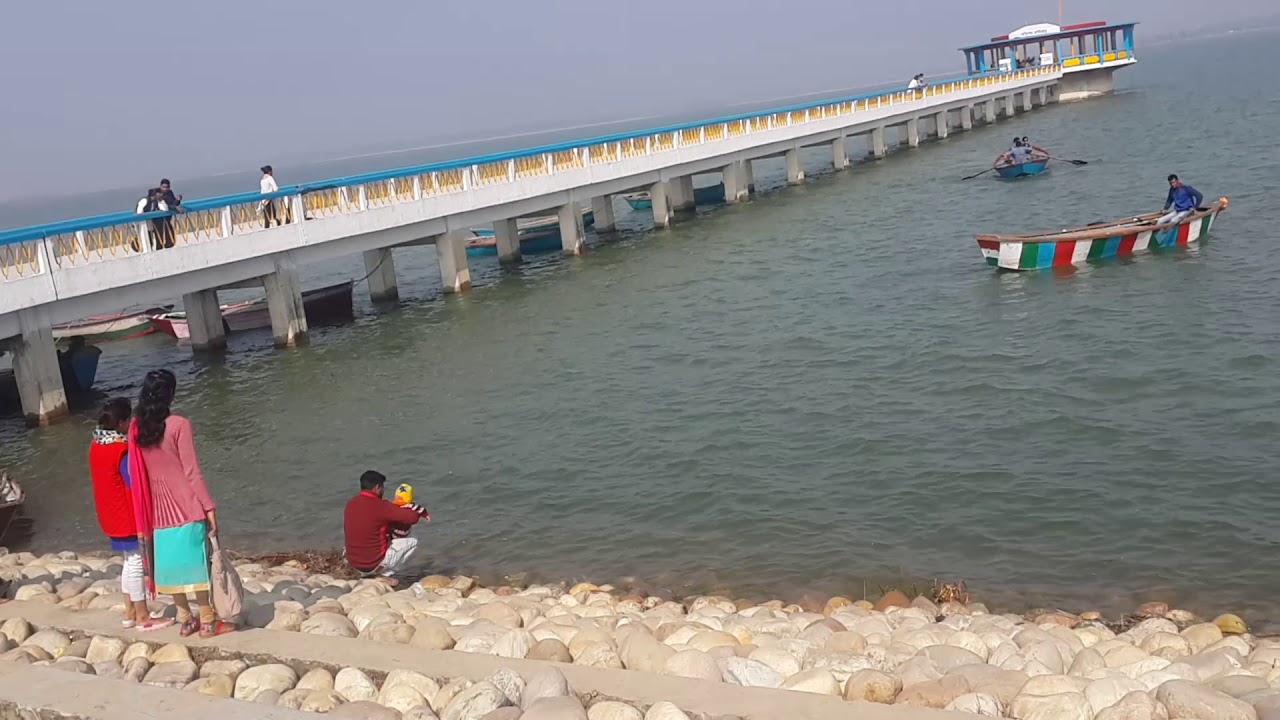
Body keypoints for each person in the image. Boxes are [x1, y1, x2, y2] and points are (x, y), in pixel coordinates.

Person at [128, 369, 232, 638]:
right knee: (197, 565)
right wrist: (209, 506)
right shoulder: (178, 425)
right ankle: (208, 621)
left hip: (158, 510)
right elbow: (191, 472)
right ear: (171, 394)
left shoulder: (137, 429)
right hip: (186, 506)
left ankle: (186, 620)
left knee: (172, 568)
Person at [89, 398, 174, 632]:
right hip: (127, 515)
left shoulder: (96, 445)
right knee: (136, 562)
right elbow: (131, 481)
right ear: (123, 422)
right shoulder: (120, 450)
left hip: (109, 515)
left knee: (128, 561)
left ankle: (129, 612)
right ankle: (143, 617)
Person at [344, 470, 430, 583]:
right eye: (382, 488)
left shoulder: (351, 504)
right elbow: (412, 518)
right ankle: (385, 574)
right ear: (377, 487)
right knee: (413, 539)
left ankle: (367, 575)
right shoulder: (381, 506)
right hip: (372, 565)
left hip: (354, 563)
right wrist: (408, 505)